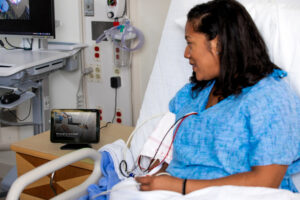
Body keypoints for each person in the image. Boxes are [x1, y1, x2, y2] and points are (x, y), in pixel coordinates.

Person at [135, 0, 300, 195]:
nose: (186, 53)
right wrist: (156, 182)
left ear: (218, 44)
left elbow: (266, 181)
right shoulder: (191, 94)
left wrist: (179, 186)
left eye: (190, 43)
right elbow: (160, 156)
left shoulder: (271, 98)